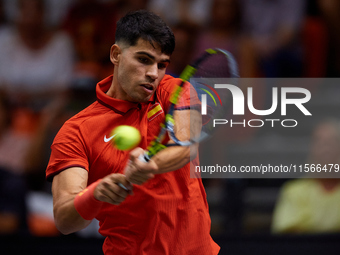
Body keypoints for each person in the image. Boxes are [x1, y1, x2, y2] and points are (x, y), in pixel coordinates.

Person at [46, 10, 220, 254]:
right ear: (116, 54)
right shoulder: (76, 131)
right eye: (144, 60)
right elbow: (64, 220)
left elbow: (187, 145)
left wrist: (152, 166)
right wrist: (95, 193)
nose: (153, 73)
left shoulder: (175, 89)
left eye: (162, 65)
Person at [272, 119, 340, 233]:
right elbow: (286, 233)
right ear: (311, 149)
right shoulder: (293, 191)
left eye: (332, 142)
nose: (326, 149)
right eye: (319, 142)